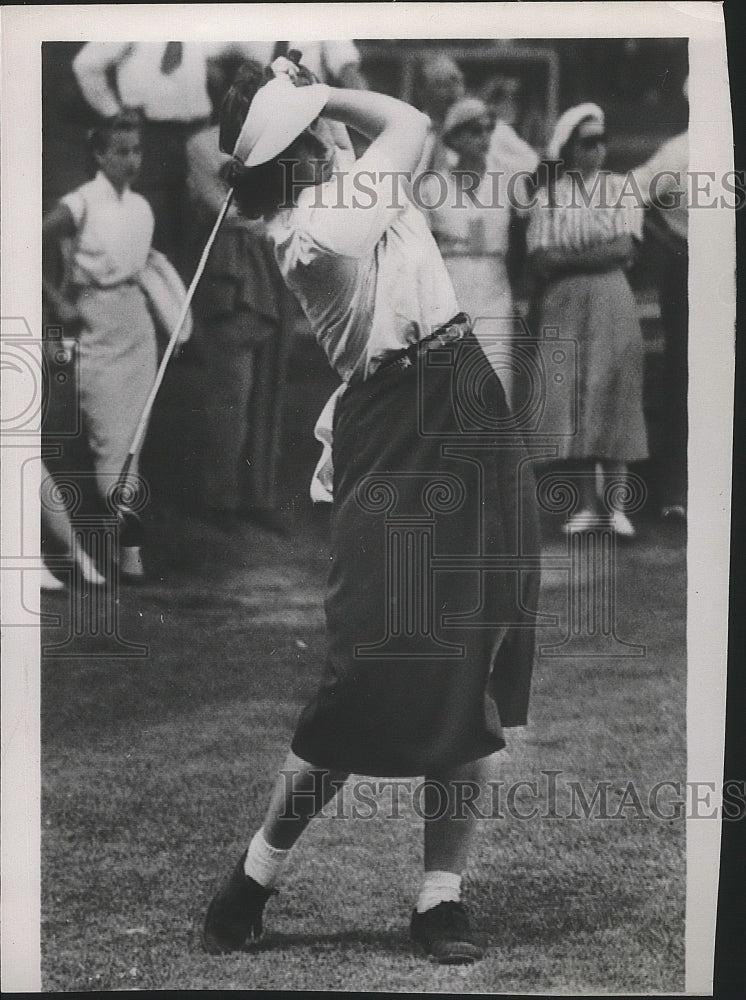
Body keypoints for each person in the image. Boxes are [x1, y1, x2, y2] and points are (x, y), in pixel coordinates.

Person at [201, 56, 540, 964]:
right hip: (397, 428)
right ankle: (253, 878)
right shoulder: (313, 223)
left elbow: (369, 134)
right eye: (318, 132)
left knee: (469, 659)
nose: (332, 136)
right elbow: (404, 121)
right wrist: (316, 95)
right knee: (368, 670)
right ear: (304, 148)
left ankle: (440, 899)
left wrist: (302, 89)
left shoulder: (337, 184)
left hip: (463, 398)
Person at [42, 110, 159, 578]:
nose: (131, 161)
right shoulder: (80, 202)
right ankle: (121, 550)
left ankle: (124, 550)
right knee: (112, 445)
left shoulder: (141, 206)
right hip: (95, 326)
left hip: (137, 326)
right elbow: (22, 245)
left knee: (132, 442)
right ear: (99, 154)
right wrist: (56, 301)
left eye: (137, 151)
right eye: (121, 151)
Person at [526, 103, 648, 538]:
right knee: (573, 399)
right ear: (570, 149)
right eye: (587, 142)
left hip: (612, 300)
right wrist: (589, 255)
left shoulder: (623, 188)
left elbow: (623, 251)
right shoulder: (548, 197)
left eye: (602, 140)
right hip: (564, 305)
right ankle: (583, 506)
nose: (597, 149)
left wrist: (569, 259)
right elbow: (540, 260)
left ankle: (615, 507)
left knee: (614, 390)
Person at [185, 58, 294, 533]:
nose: (247, 104)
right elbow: (230, 213)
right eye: (240, 94)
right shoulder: (201, 146)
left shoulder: (277, 143)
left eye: (256, 95)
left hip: (274, 266)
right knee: (231, 390)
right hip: (229, 271)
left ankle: (259, 496)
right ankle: (220, 497)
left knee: (270, 388)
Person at [426, 96, 535, 409]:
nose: (484, 138)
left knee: (497, 373)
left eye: (488, 129)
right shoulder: (433, 186)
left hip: (494, 286)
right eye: (474, 131)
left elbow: (526, 232)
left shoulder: (508, 181)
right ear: (454, 138)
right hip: (448, 286)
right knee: (449, 378)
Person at [72, 42, 217, 264]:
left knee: (196, 216)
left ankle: (185, 289)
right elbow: (86, 64)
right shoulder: (135, 20)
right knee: (152, 216)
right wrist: (112, 111)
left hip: (196, 131)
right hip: (151, 133)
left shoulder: (199, 23)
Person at [631, 124, 688, 521]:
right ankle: (677, 492)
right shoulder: (681, 152)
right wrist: (667, 242)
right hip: (694, 271)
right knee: (686, 377)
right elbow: (630, 193)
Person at [413, 54, 466, 175]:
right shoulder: (410, 132)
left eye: (457, 81)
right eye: (443, 84)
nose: (453, 91)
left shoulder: (486, 129)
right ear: (422, 90)